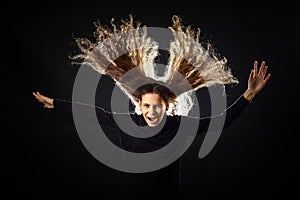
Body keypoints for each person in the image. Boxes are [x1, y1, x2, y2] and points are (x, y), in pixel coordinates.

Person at [32, 15, 271, 200]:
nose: (151, 112)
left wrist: (249, 93)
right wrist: (55, 103)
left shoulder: (180, 126)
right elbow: (92, 113)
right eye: (146, 106)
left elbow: (222, 120)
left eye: (157, 106)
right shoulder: (128, 122)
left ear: (167, 106)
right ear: (139, 104)